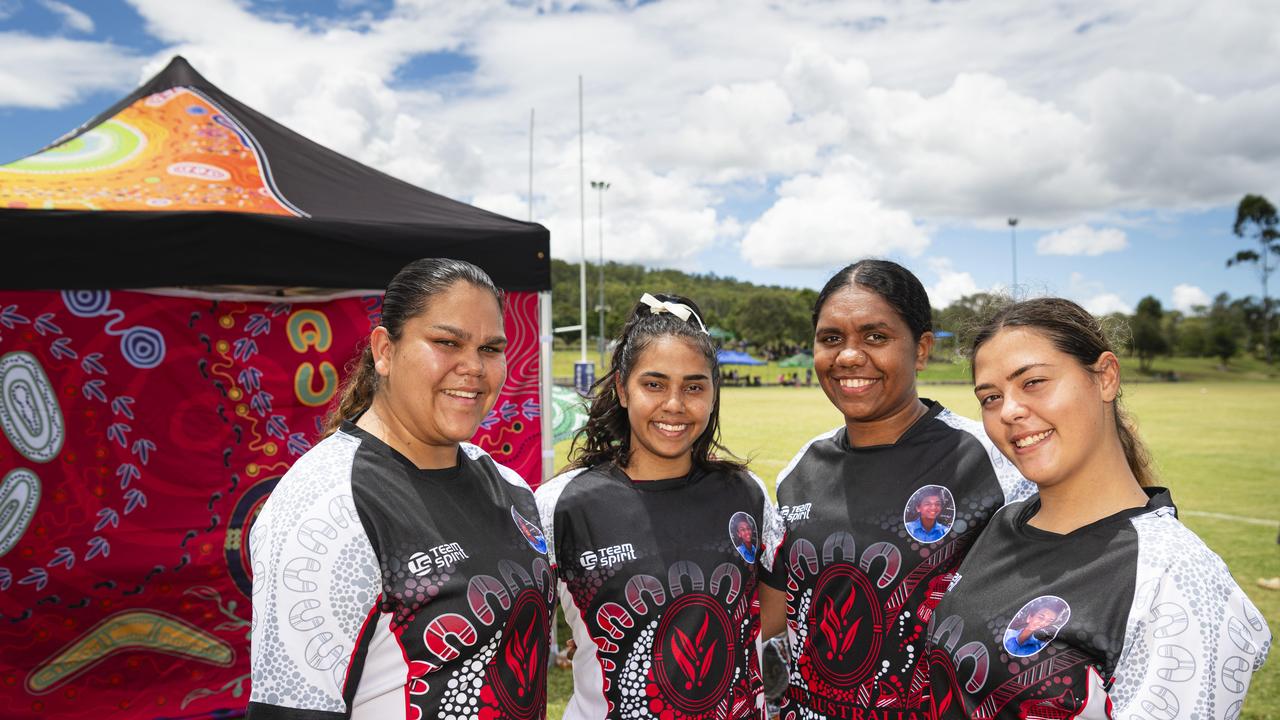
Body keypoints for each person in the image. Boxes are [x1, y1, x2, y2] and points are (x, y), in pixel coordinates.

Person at [925, 297, 1270, 718]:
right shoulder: (1002, 522)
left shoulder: (1172, 574)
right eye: (991, 397)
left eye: (1033, 382)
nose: (1009, 411)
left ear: (1105, 377)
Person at [247, 259, 553, 720]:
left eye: (491, 348)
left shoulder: (509, 487)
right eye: (447, 342)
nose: (473, 367)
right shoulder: (325, 505)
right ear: (384, 351)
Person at [758, 259, 1035, 719]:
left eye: (875, 337)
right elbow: (774, 623)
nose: (848, 356)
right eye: (831, 339)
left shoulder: (993, 461)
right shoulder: (798, 471)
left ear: (921, 350)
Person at [536, 292, 781, 720]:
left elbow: (773, 617)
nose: (674, 404)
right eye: (654, 384)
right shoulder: (559, 504)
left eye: (693, 386)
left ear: (712, 392)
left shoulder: (749, 494)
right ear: (622, 388)